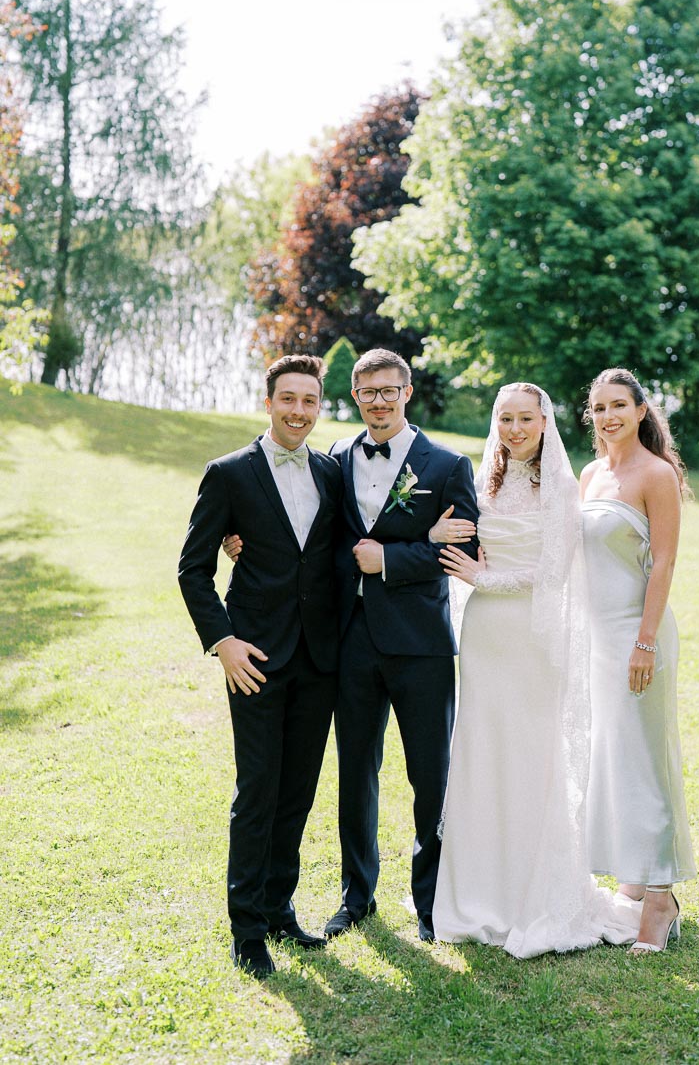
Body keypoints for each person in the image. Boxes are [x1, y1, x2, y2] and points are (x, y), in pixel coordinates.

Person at [431, 383, 642, 957]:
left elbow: (553, 572)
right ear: (495, 423)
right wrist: (437, 540)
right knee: (482, 749)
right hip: (483, 638)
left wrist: (483, 579)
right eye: (506, 418)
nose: (516, 429)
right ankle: (474, 891)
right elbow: (456, 533)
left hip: (529, 638)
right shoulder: (483, 480)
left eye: (526, 418)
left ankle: (531, 893)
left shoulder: (562, 486)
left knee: (529, 752)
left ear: (545, 424)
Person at [177, 354, 342, 980]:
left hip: (317, 659)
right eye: (288, 399)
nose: (299, 410)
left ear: (319, 405)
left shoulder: (330, 472)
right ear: (268, 401)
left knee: (297, 792)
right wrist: (223, 642)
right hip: (253, 658)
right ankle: (246, 932)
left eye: (310, 400)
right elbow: (194, 569)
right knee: (257, 793)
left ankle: (278, 908)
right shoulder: (229, 475)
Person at [325, 348, 479, 942]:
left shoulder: (446, 465)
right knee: (355, 771)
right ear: (356, 396)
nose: (379, 401)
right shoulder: (336, 458)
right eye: (368, 392)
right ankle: (356, 896)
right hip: (352, 641)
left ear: (407, 391)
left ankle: (432, 905)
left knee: (431, 777)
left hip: (421, 646)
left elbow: (462, 552)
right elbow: (323, 541)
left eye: (390, 390)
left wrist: (392, 556)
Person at [580, 367, 696, 955]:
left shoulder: (657, 474)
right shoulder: (591, 474)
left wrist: (645, 641)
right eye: (599, 408)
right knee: (612, 756)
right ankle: (631, 871)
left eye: (619, 405)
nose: (608, 417)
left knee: (647, 760)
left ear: (641, 410)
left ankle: (660, 897)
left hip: (637, 634)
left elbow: (665, 564)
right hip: (595, 641)